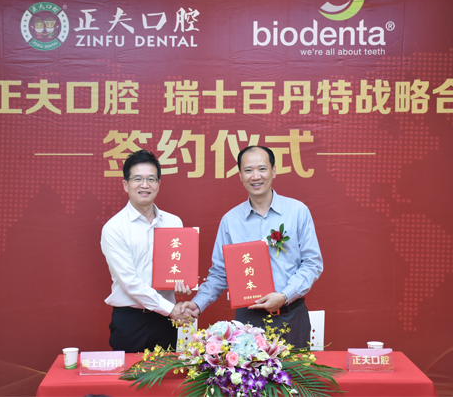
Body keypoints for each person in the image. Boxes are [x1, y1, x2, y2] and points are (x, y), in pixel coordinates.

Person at [181, 145, 323, 348]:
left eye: (262, 169)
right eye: (248, 170)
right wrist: (198, 303)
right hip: (247, 320)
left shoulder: (297, 211)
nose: (255, 176)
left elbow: (311, 263)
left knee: (295, 370)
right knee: (247, 370)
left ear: (274, 171)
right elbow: (220, 272)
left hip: (291, 316)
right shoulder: (230, 221)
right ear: (240, 175)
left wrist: (284, 296)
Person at [101, 149, 194, 353]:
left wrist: (182, 282)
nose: (145, 185)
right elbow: (130, 282)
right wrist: (170, 309)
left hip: (165, 320)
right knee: (128, 374)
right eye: (138, 179)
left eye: (151, 179)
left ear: (158, 184)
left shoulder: (173, 222)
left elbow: (175, 268)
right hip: (130, 322)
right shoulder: (114, 228)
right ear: (125, 184)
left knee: (166, 372)